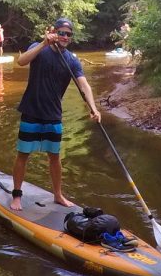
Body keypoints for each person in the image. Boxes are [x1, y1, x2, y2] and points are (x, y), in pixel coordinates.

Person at [10, 17, 101, 211]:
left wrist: (93, 107)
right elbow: (21, 61)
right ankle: (16, 195)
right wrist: (44, 43)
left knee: (55, 156)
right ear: (54, 32)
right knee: (23, 154)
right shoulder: (39, 47)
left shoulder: (71, 60)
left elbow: (83, 84)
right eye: (61, 33)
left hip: (53, 114)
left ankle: (58, 194)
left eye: (68, 34)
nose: (65, 37)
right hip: (31, 111)